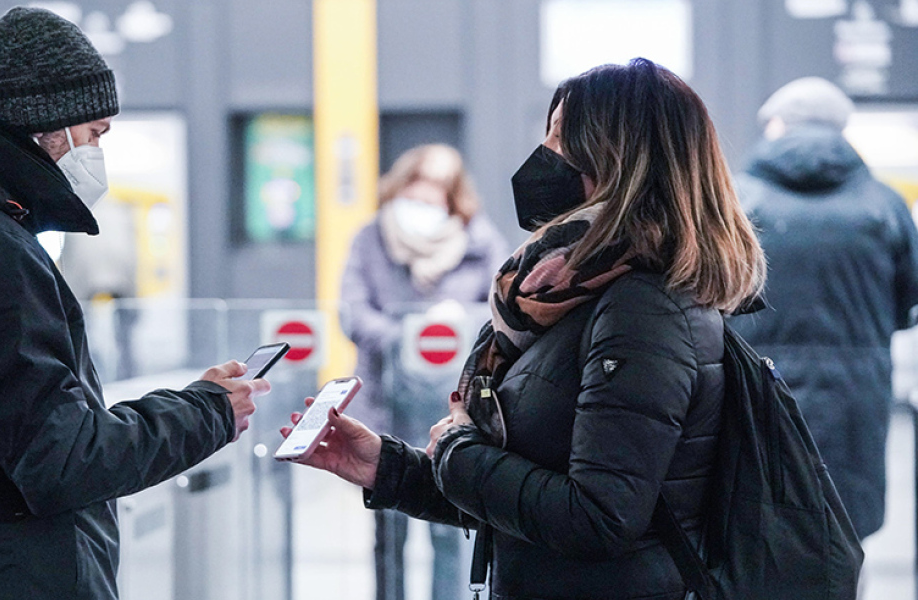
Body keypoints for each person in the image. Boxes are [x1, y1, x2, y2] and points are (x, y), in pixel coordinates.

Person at [287, 58, 766, 600]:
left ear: (613, 160)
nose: (544, 159)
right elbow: (529, 492)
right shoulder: (564, 294)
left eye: (560, 140)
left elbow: (596, 519)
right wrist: (387, 467)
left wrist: (458, 449)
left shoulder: (643, 312)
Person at [0, 7, 269, 599]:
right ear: (45, 125)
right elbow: (63, 462)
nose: (98, 152)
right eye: (94, 134)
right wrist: (207, 413)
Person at [729, 77, 918, 545]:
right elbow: (907, 302)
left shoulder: (737, 201)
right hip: (854, 396)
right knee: (843, 531)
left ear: (778, 125)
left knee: (759, 532)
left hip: (756, 392)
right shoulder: (885, 206)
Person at [340, 144, 508, 600]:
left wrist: (458, 325)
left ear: (455, 199)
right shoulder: (370, 238)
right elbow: (353, 312)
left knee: (450, 531)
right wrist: (405, 337)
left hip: (450, 408)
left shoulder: (481, 242)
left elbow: (502, 312)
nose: (424, 202)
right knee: (388, 533)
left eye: (437, 193)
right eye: (417, 190)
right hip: (386, 406)